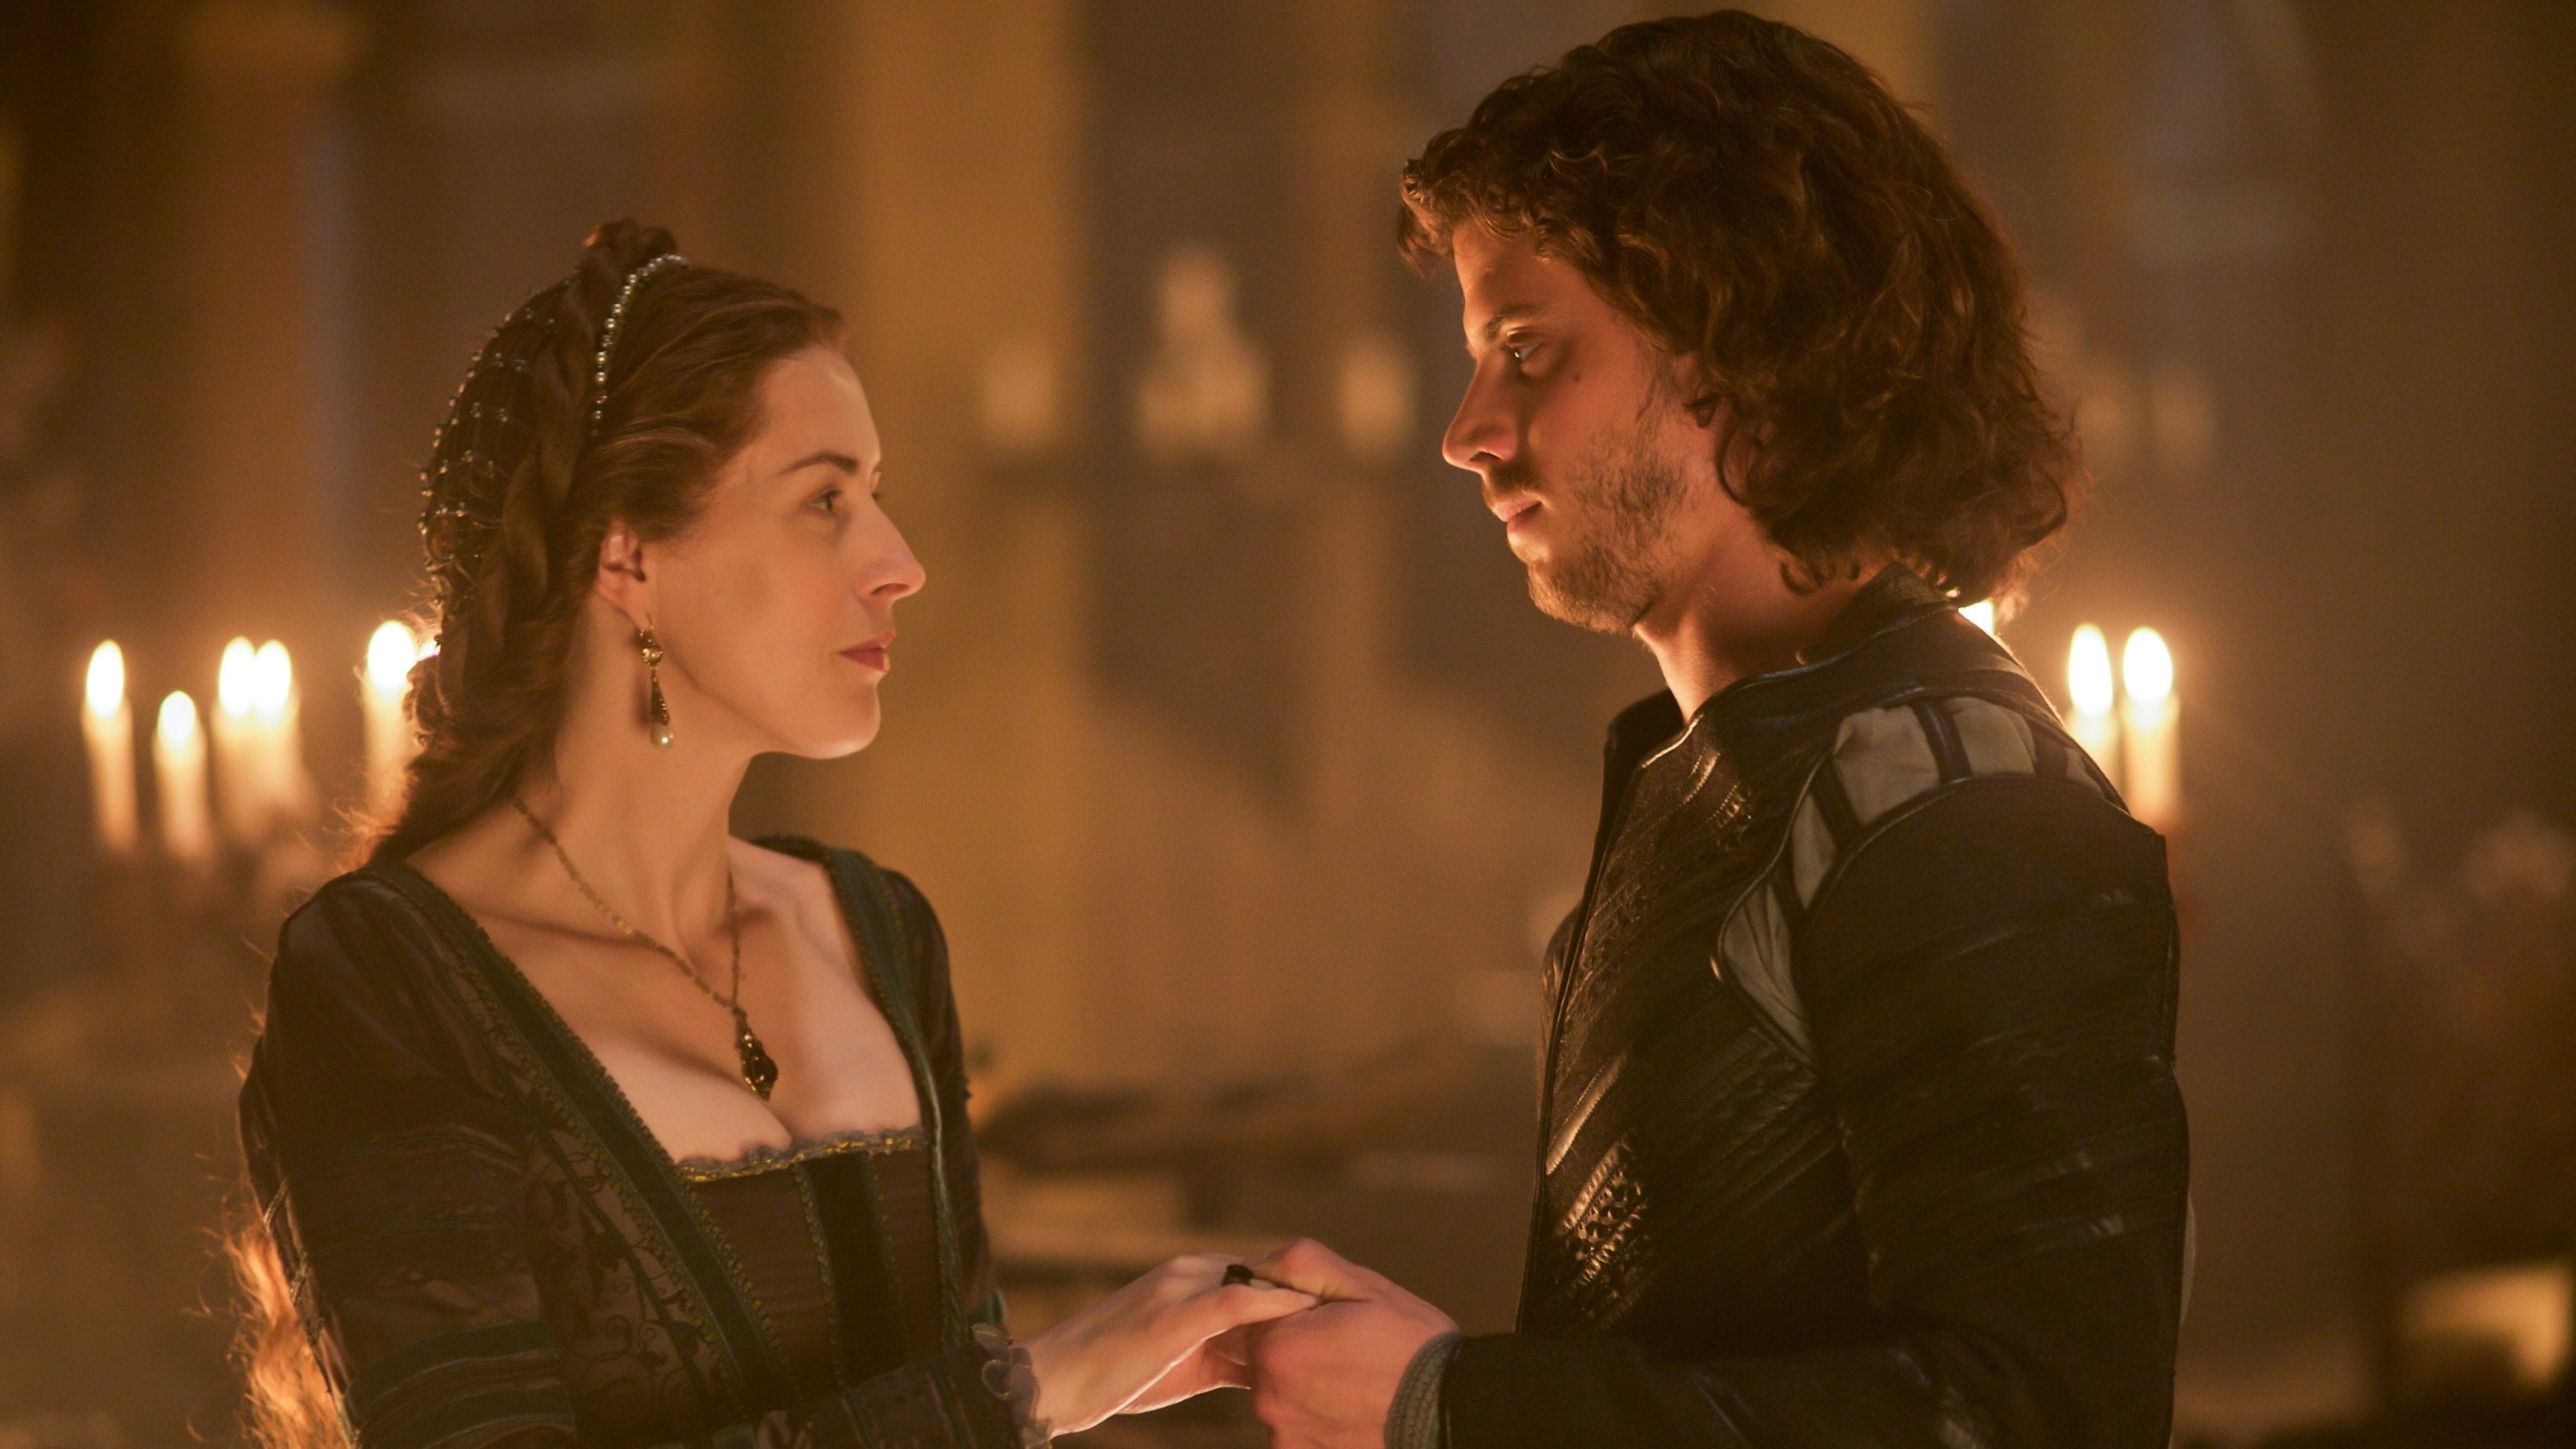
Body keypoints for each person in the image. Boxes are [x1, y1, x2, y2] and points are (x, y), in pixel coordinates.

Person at [1240, 13, 2191, 1449]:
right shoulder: (1716, 762)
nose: (1468, 430)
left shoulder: (1965, 804)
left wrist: (1454, 1405)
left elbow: (2040, 1413)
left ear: (1741, 346)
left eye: (1527, 350)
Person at [231, 221, 1313, 1449]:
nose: (899, 564)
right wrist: (1028, 1388)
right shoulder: (387, 978)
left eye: (876, 495)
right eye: (824, 500)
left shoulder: (880, 933)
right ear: (628, 555)